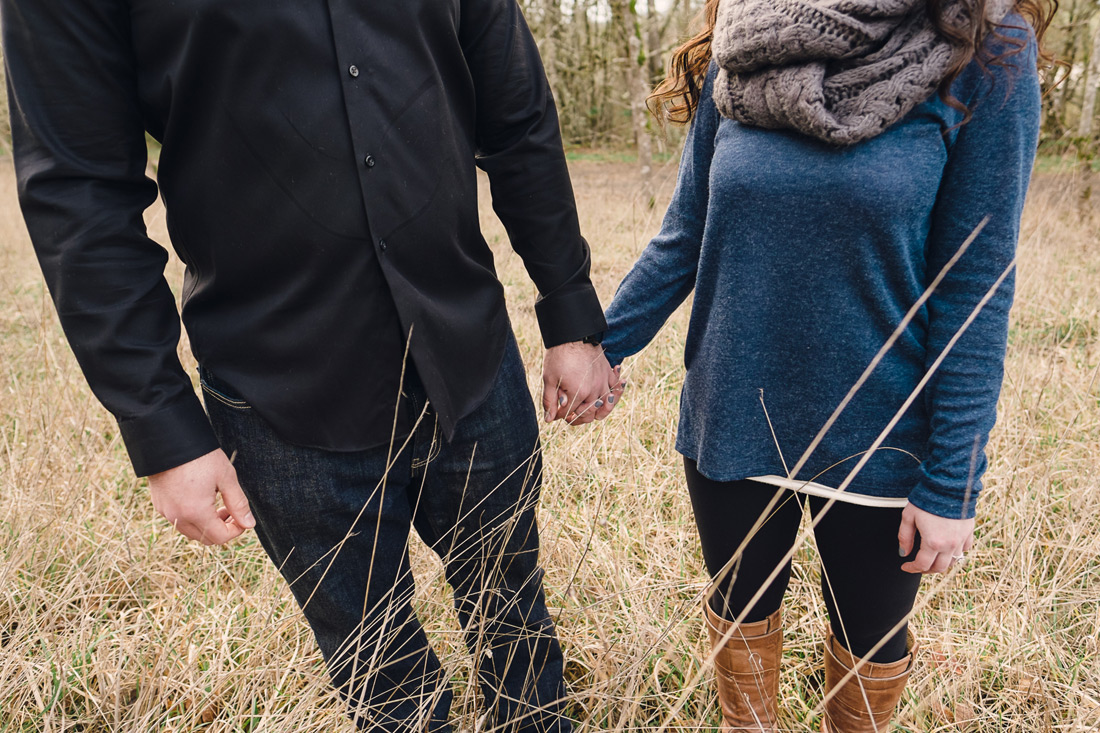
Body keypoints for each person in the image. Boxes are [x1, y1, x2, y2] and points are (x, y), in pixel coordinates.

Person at [3, 1, 622, 730]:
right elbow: (79, 191)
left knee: (519, 634)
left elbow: (516, 115)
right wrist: (162, 428)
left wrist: (571, 314)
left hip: (468, 355)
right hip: (278, 397)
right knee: (388, 688)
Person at [601, 0, 1050, 729]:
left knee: (869, 642)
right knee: (740, 617)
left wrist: (953, 478)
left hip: (885, 433)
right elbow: (685, 233)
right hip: (734, 417)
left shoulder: (985, 44)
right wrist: (600, 345)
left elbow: (976, 284)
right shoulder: (746, 36)